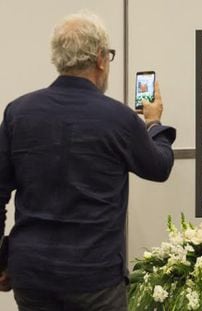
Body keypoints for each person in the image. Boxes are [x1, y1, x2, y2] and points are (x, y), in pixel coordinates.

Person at [0, 11, 175, 310]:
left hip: (32, 273)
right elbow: (159, 167)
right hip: (94, 277)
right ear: (101, 58)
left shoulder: (18, 113)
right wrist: (154, 124)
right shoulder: (119, 118)